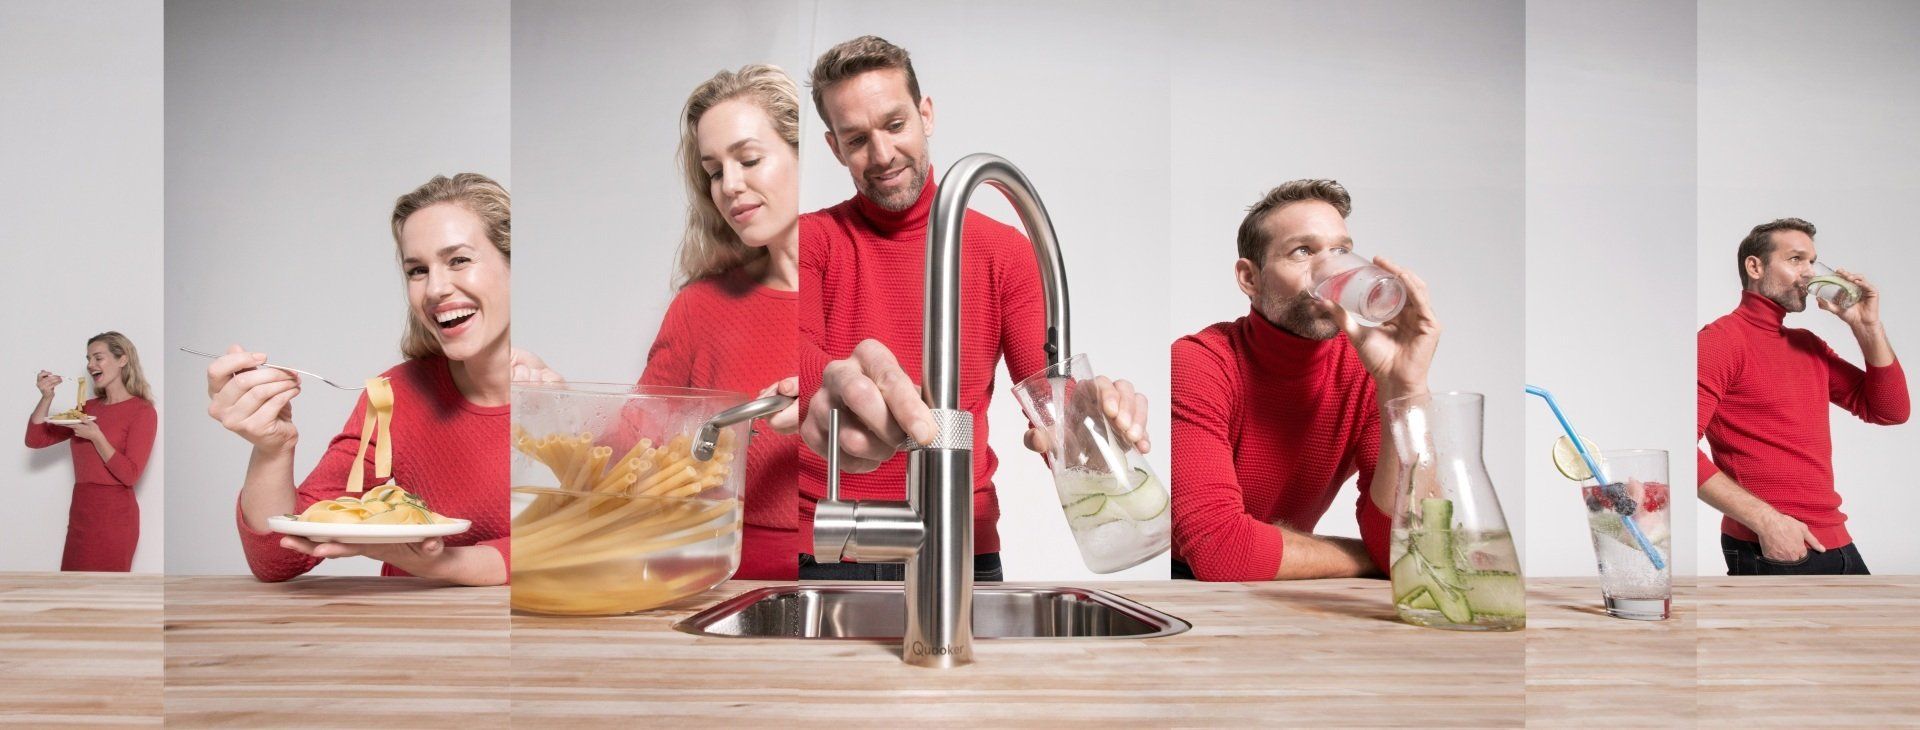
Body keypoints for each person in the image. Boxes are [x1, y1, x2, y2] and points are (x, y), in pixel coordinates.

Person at [796, 36, 1148, 581]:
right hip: (828, 543)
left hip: (960, 538)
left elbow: (1052, 400)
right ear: (834, 148)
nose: (883, 154)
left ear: (925, 114)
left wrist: (1096, 416)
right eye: (857, 139)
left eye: (894, 125)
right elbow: (790, 369)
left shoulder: (1002, 250)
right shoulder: (812, 242)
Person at [205, 173, 515, 585]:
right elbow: (277, 561)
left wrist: (440, 565)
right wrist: (272, 449)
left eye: (459, 260)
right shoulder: (396, 395)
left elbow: (567, 548)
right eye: (417, 270)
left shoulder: (564, 403)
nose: (435, 289)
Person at [1169, 180, 1440, 581]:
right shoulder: (1200, 362)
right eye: (1303, 251)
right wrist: (1371, 557)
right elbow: (1221, 551)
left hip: (1287, 583)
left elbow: (1419, 551)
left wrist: (1405, 389)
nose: (1333, 270)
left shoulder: (1369, 372)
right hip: (1191, 589)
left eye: (1341, 251)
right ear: (1250, 278)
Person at [637, 64, 803, 580]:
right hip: (717, 582)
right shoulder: (700, 308)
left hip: (863, 575)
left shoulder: (876, 288)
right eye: (713, 171)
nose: (730, 185)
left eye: (749, 159)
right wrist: (548, 392)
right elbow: (631, 452)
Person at [1698, 218, 1908, 575]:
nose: (1809, 274)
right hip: (1774, 545)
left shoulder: (1808, 346)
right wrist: (1767, 522)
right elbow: (1679, 447)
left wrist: (1866, 326)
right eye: (1796, 259)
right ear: (1755, 266)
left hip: (1838, 540)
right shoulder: (1720, 342)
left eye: (1812, 262)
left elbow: (1889, 410)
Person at [25, 332, 159, 571]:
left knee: (105, 598)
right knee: (71, 595)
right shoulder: (86, 408)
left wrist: (97, 436)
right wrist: (46, 397)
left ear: (122, 359)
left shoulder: (142, 411)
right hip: (81, 512)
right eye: (88, 359)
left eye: (98, 358)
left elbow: (130, 475)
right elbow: (35, 439)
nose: (90, 365)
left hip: (114, 518)